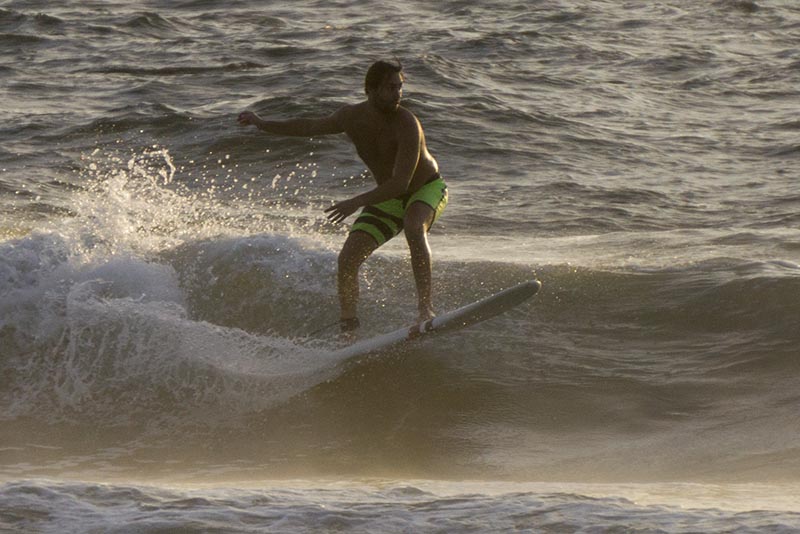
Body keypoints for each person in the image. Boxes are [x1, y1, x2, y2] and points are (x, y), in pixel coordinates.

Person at [237, 59, 448, 333]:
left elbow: (401, 183)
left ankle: (425, 309)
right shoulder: (351, 117)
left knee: (413, 226)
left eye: (400, 87)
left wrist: (355, 202)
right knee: (347, 259)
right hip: (389, 197)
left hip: (425, 189)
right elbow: (309, 126)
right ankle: (348, 325)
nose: (397, 94)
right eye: (390, 88)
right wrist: (263, 124)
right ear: (370, 90)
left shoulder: (407, 124)